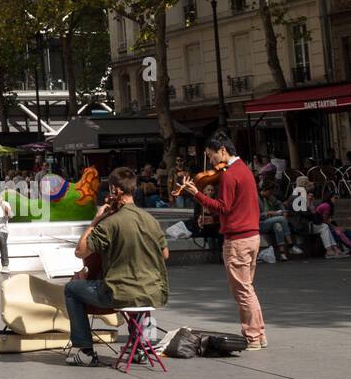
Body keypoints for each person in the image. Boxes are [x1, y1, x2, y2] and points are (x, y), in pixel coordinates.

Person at [63, 166, 169, 366]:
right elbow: (165, 254)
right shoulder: (151, 220)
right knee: (137, 289)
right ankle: (138, 348)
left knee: (71, 289)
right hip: (153, 292)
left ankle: (85, 351)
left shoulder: (110, 222)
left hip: (119, 294)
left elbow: (80, 252)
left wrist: (96, 220)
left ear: (114, 190)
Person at [183, 131, 265, 350]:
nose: (210, 161)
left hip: (238, 239)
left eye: (211, 156)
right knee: (248, 288)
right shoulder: (244, 170)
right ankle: (259, 333)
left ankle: (253, 336)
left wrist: (197, 194)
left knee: (242, 290)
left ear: (222, 151)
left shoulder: (229, 175)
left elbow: (222, 208)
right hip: (252, 236)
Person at [258, 182, 300, 261]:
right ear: (265, 190)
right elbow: (256, 215)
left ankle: (282, 253)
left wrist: (283, 211)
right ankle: (291, 245)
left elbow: (279, 203)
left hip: (270, 221)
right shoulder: (256, 198)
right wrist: (270, 213)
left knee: (278, 226)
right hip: (260, 223)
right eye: (270, 192)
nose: (271, 195)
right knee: (281, 219)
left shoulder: (269, 196)